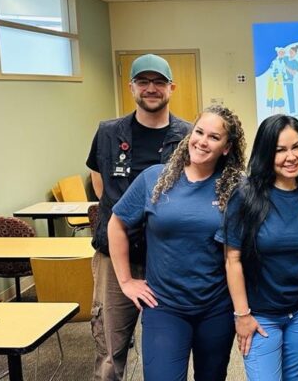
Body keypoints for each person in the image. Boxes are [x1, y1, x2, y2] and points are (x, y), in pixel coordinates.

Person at [108, 105, 246, 380]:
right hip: (165, 307)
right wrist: (126, 280)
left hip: (215, 308)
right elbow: (117, 224)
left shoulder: (236, 188)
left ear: (227, 147)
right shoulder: (154, 178)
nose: (202, 141)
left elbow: (235, 255)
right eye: (199, 132)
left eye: (214, 137)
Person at [86, 53, 192, 380]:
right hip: (116, 259)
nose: (151, 88)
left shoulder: (188, 136)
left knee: (166, 350)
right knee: (110, 348)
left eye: (159, 82)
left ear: (171, 87)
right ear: (131, 86)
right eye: (143, 82)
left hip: (168, 259)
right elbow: (100, 180)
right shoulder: (108, 132)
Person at [219, 114, 298, 381]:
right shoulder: (245, 196)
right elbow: (232, 260)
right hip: (260, 315)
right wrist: (241, 315)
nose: (291, 157)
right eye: (280, 150)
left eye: (296, 147)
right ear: (266, 153)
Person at [283, 45, 298, 114]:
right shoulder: (285, 58)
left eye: (292, 52)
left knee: (290, 96)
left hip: (289, 81)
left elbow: (293, 73)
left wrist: (286, 67)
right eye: (290, 51)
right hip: (281, 80)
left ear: (295, 53)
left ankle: (292, 112)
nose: (290, 53)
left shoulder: (296, 62)